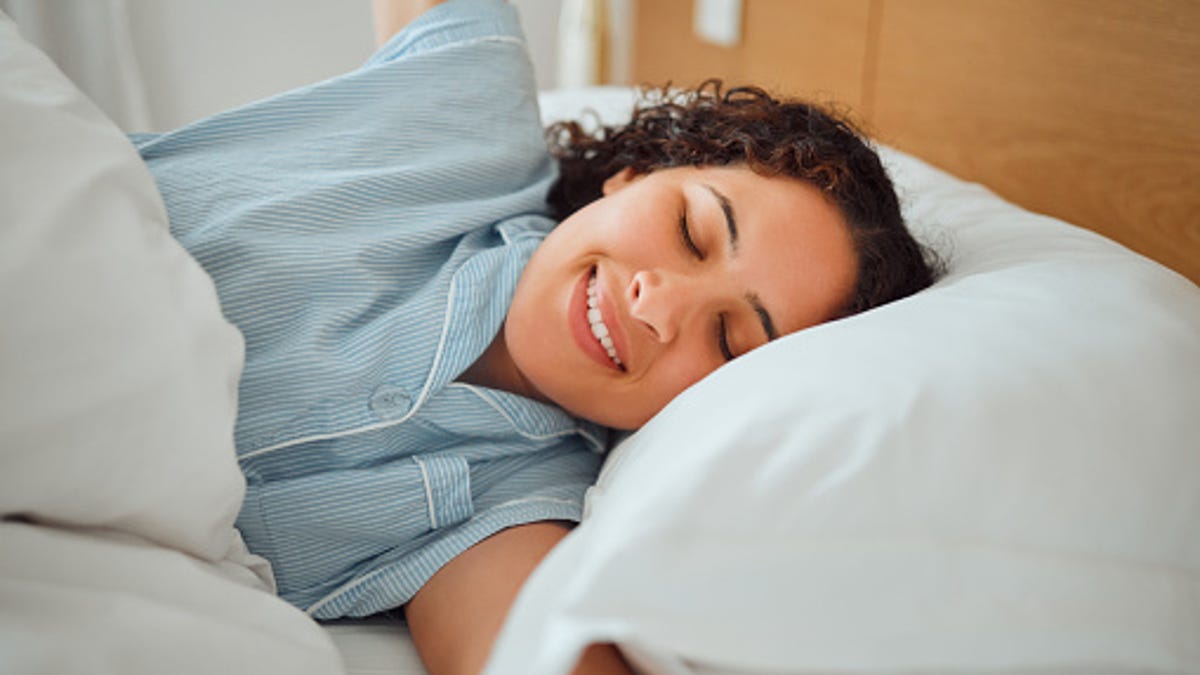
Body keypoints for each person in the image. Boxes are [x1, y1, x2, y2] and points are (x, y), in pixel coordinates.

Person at [130, 0, 937, 672]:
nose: (657, 304)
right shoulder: (470, 114)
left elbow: (527, 651)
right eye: (690, 229)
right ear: (638, 170)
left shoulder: (511, 508)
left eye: (727, 340)